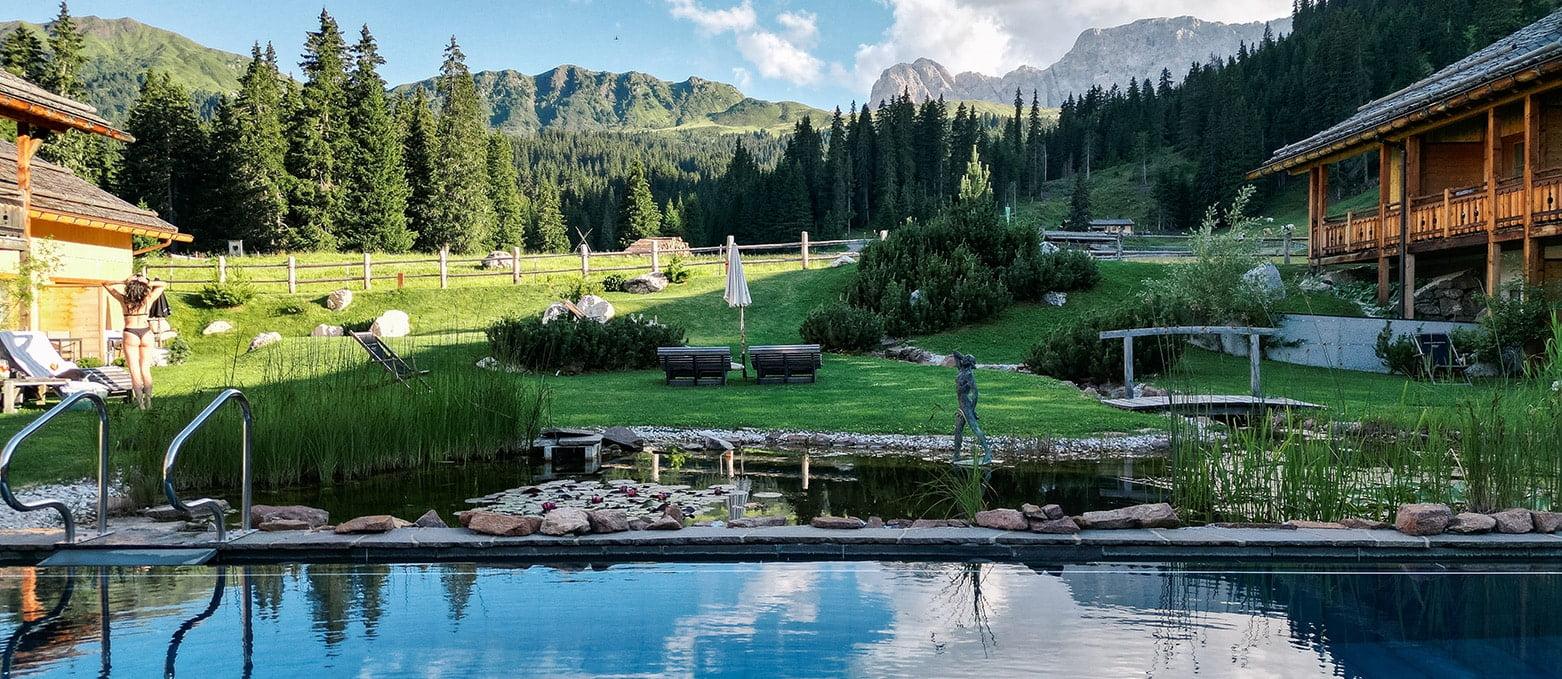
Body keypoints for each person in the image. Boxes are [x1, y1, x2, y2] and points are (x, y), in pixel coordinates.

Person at [103, 272, 168, 408]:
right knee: (145, 369)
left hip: (130, 332)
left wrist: (124, 281)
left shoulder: (124, 300)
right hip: (146, 332)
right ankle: (149, 402)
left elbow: (106, 284)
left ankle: (140, 404)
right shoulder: (148, 299)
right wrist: (146, 282)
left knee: (134, 370)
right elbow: (163, 284)